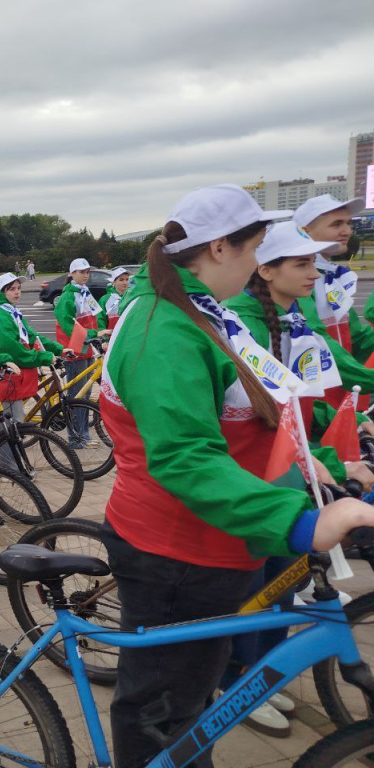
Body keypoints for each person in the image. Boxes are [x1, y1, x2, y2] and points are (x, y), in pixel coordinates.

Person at [98, 184, 374, 767]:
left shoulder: (204, 312)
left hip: (217, 539)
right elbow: (185, 457)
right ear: (221, 249)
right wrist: (300, 523)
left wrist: (330, 467)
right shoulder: (165, 329)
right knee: (161, 716)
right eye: (255, 250)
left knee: (191, 704)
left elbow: (265, 422)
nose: (258, 264)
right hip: (176, 549)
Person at [219, 220, 374, 737]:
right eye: (303, 263)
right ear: (265, 268)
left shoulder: (289, 316)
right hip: (249, 476)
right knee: (251, 587)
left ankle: (260, 675)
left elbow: (303, 407)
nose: (315, 272)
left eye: (315, 262)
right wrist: (328, 459)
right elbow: (266, 414)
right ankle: (235, 682)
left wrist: (329, 454)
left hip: (285, 475)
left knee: (285, 583)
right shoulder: (239, 323)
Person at [293, 195, 371, 408]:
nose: (347, 231)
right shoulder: (299, 281)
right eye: (336, 224)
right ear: (305, 231)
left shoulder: (332, 276)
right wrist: (367, 379)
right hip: (314, 399)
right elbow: (318, 341)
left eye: (348, 223)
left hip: (339, 394)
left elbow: (357, 336)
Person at [0, 273, 66, 428]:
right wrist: (44, 357)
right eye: (11, 289)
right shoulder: (1, 316)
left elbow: (31, 336)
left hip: (14, 376)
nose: (17, 292)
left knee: (13, 425)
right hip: (6, 375)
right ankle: (2, 453)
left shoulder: (11, 311)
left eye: (18, 288)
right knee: (11, 428)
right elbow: (14, 351)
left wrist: (58, 349)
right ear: (2, 292)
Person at [54, 258, 110, 447]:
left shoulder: (85, 293)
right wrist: (94, 334)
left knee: (84, 396)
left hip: (86, 351)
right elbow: (68, 326)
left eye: (87, 272)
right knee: (77, 396)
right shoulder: (68, 296)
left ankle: (83, 434)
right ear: (72, 274)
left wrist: (99, 338)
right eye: (81, 272)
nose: (86, 275)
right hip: (75, 351)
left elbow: (94, 318)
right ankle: (75, 438)